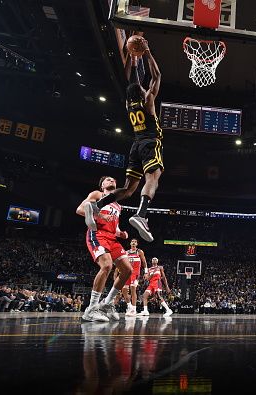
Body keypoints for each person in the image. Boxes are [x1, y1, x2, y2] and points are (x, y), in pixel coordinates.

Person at [83, 42, 163, 242]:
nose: (147, 89)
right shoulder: (148, 102)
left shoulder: (129, 103)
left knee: (128, 189)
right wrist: (147, 52)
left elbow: (131, 83)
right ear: (143, 92)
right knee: (153, 178)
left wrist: (134, 62)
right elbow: (157, 76)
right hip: (150, 143)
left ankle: (96, 206)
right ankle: (141, 215)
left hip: (135, 146)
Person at [77, 176, 133, 322]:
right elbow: (80, 209)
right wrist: (98, 214)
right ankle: (91, 309)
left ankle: (107, 303)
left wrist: (120, 232)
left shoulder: (117, 205)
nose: (112, 181)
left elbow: (115, 225)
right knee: (107, 266)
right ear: (102, 185)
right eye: (108, 180)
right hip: (98, 234)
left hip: (112, 238)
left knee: (128, 270)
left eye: (114, 180)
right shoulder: (97, 195)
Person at [124, 239, 147, 317]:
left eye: (135, 242)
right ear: (130, 243)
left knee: (133, 289)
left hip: (135, 273)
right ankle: (129, 306)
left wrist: (146, 272)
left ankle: (134, 309)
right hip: (127, 273)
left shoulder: (139, 252)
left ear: (137, 244)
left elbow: (144, 262)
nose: (133, 243)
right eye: (132, 241)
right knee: (124, 290)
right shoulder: (126, 252)